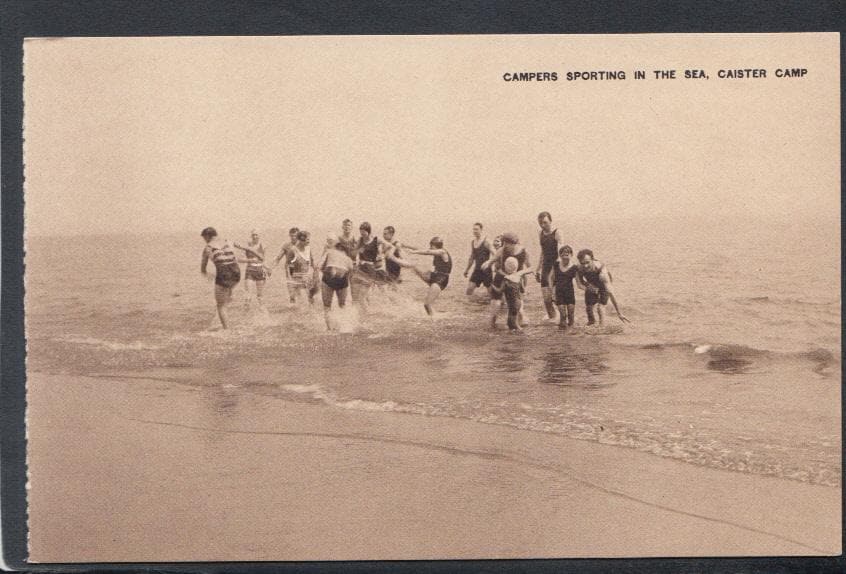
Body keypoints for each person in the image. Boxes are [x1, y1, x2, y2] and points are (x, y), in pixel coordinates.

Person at [481, 232, 531, 327]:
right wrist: (487, 263)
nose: (505, 246)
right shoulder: (502, 250)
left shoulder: (524, 252)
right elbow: (492, 260)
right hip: (500, 278)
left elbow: (530, 268)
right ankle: (492, 327)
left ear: (514, 243)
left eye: (507, 244)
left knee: (518, 309)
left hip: (515, 281)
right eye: (504, 243)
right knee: (495, 309)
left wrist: (520, 273)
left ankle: (519, 329)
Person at [200, 227, 241, 329]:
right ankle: (229, 293)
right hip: (236, 272)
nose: (204, 240)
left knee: (220, 305)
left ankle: (227, 330)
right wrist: (258, 256)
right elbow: (247, 248)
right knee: (227, 293)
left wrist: (206, 273)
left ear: (208, 236)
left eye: (204, 238)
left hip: (224, 273)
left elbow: (203, 268)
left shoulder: (208, 248)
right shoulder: (227, 241)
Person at [576, 249, 630, 325]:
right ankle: (591, 323)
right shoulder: (579, 268)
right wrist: (588, 287)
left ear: (592, 259)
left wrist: (619, 313)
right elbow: (579, 284)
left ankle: (602, 326)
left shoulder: (602, 272)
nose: (585, 265)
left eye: (587, 262)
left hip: (603, 283)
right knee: (589, 307)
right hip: (591, 283)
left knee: (600, 307)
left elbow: (611, 293)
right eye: (582, 263)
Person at [400, 237, 452, 316]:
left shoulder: (442, 252)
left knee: (427, 304)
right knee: (413, 267)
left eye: (431, 246)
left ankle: (433, 319)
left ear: (436, 246)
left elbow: (427, 251)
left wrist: (413, 252)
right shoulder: (436, 251)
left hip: (441, 279)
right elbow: (422, 249)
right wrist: (406, 246)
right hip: (434, 275)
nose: (430, 248)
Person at [318, 233, 355, 330]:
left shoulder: (329, 252)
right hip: (342, 281)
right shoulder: (348, 259)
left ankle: (329, 329)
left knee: (327, 307)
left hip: (328, 280)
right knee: (342, 305)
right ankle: (343, 327)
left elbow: (319, 266)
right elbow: (351, 272)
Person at [352, 222, 396, 303]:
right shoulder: (360, 240)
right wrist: (358, 251)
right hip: (365, 270)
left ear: (368, 231)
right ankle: (369, 311)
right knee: (367, 294)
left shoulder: (376, 239)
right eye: (361, 232)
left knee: (384, 291)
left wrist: (385, 255)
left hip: (378, 268)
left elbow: (391, 247)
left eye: (364, 233)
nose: (362, 235)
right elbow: (354, 252)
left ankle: (393, 305)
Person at [534, 211, 564, 321]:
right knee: (546, 298)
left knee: (556, 296)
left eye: (545, 222)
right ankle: (553, 318)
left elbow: (561, 250)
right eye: (540, 223)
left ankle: (563, 319)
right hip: (545, 266)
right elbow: (542, 252)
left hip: (556, 266)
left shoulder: (557, 232)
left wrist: (558, 269)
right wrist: (538, 269)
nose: (543, 225)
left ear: (550, 221)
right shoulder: (540, 233)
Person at [501, 256, 536, 332]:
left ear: (506, 267)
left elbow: (501, 290)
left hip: (511, 302)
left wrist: (494, 288)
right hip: (518, 301)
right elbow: (523, 290)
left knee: (513, 317)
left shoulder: (506, 278)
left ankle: (519, 329)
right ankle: (512, 329)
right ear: (516, 267)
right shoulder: (519, 277)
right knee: (512, 317)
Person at [236, 229, 268, 308]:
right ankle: (246, 315)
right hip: (250, 270)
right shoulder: (247, 246)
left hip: (260, 270)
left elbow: (263, 260)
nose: (255, 236)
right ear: (251, 236)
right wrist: (249, 260)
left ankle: (264, 315)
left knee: (260, 296)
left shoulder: (263, 246)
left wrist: (267, 269)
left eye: (256, 234)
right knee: (248, 296)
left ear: (259, 236)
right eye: (253, 235)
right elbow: (239, 259)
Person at [287, 230, 319, 304]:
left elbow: (312, 262)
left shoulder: (308, 248)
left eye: (309, 239)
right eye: (307, 240)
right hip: (297, 278)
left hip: (308, 277)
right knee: (302, 301)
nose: (309, 242)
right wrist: (292, 279)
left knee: (311, 299)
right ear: (301, 240)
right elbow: (289, 265)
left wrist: (316, 270)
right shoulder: (293, 250)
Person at [463, 222, 494, 297]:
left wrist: (489, 262)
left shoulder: (487, 242)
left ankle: (501, 304)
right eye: (473, 229)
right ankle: (470, 307)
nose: (475, 231)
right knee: (469, 290)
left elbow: (495, 255)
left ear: (481, 230)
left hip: (486, 271)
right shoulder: (473, 242)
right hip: (477, 270)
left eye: (476, 229)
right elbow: (472, 258)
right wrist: (467, 270)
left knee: (492, 293)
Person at [551, 245, 578, 329]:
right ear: (560, 255)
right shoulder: (556, 265)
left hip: (570, 293)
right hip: (559, 293)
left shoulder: (575, 268)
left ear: (571, 255)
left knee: (571, 316)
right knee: (563, 315)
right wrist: (552, 292)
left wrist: (588, 288)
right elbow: (551, 278)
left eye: (567, 253)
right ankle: (562, 337)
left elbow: (579, 283)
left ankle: (571, 337)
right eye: (562, 254)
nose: (565, 255)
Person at [273, 227, 300, 303]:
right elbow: (279, 257)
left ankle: (300, 303)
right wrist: (272, 267)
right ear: (289, 236)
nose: (293, 237)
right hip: (290, 267)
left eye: (295, 235)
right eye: (292, 236)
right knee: (291, 285)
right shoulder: (287, 245)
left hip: (300, 268)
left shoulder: (303, 245)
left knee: (299, 287)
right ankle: (292, 300)